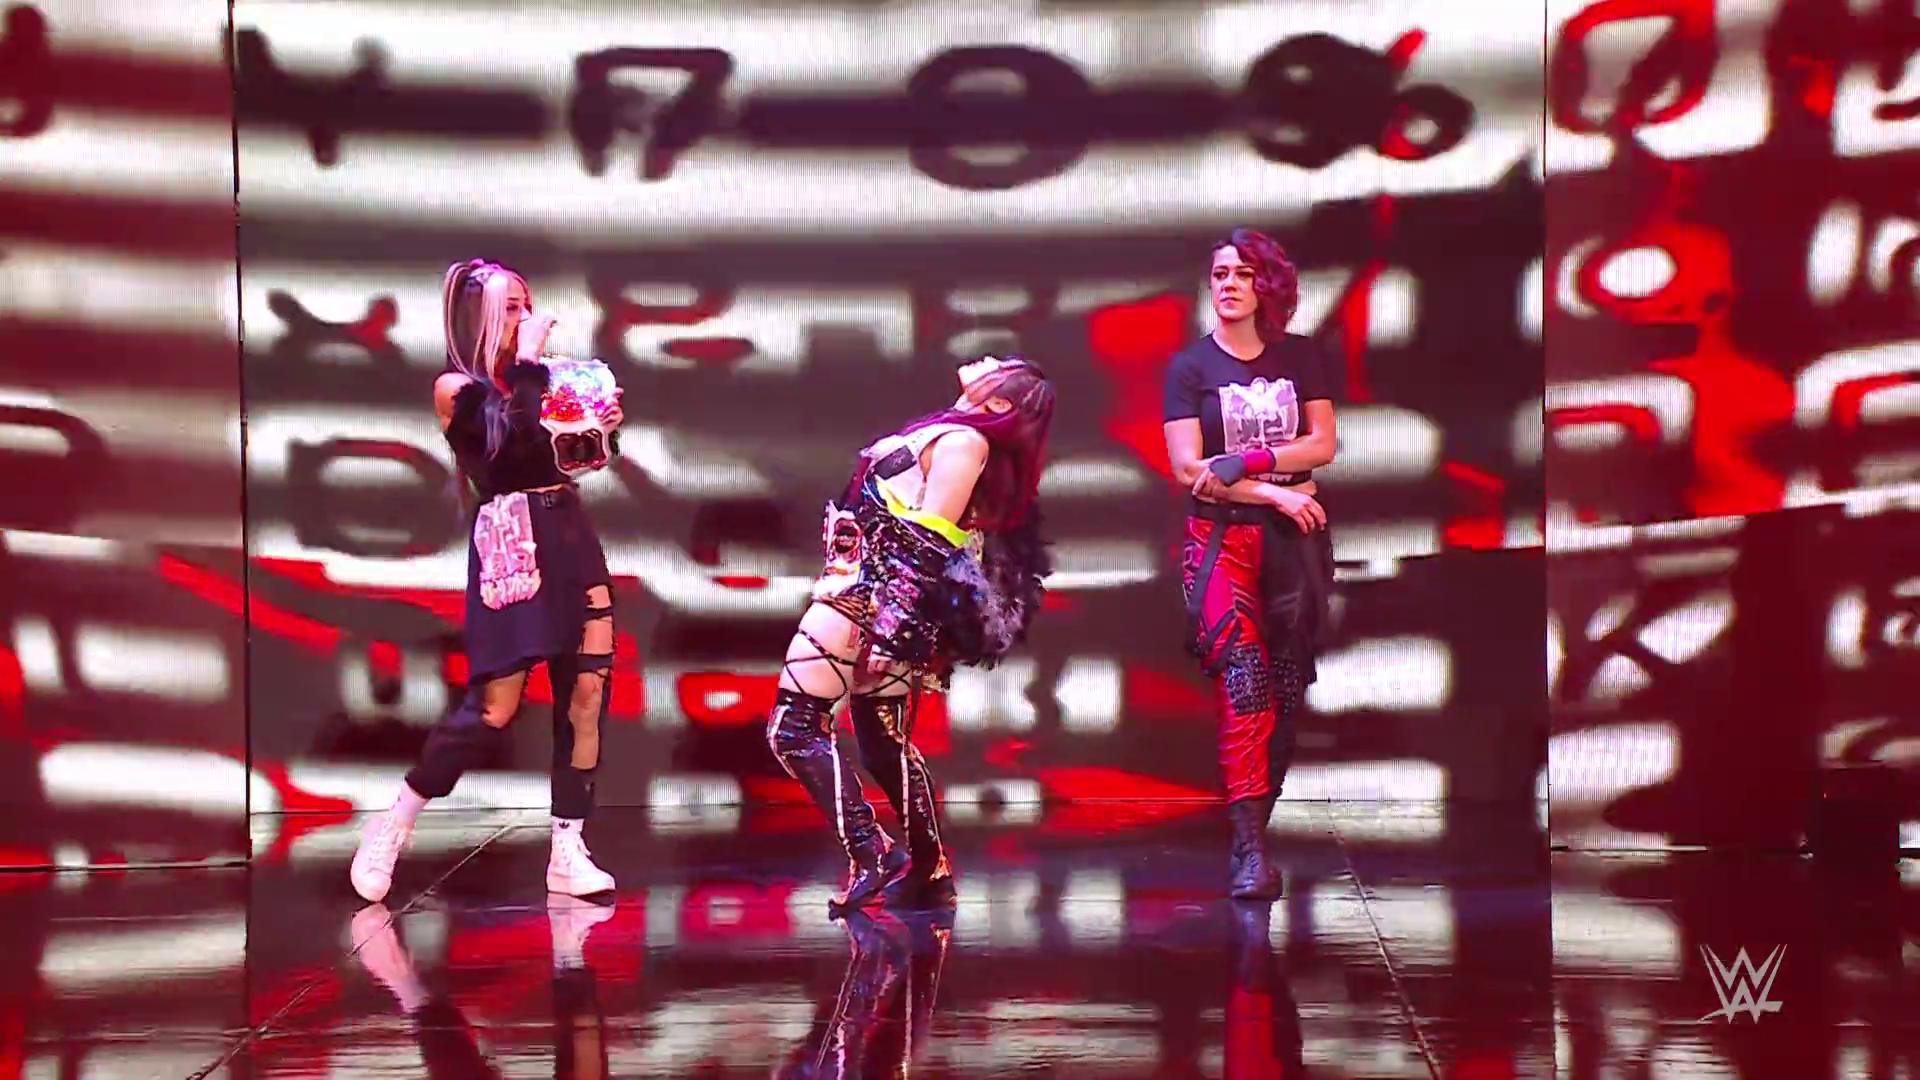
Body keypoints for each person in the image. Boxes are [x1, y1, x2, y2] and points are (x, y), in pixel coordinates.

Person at [351, 258, 624, 903]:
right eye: (511, 308)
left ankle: (567, 848)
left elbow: (560, 461)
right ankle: (395, 823)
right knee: (494, 708)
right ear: (479, 317)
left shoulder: (541, 379)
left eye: (527, 305)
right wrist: (529, 368)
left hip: (569, 537)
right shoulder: (457, 388)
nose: (526, 318)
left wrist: (597, 432)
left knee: (586, 694)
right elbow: (505, 454)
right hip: (513, 545)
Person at [768, 355, 1055, 914]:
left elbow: (929, 542)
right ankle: (930, 869)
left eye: (1001, 365)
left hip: (866, 600)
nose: (987, 358)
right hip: (875, 600)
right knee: (882, 743)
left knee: (794, 729)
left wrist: (892, 631)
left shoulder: (965, 443)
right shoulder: (955, 433)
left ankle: (871, 848)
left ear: (999, 401)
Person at [1162, 229, 1338, 900]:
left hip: (1295, 544)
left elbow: (1322, 444)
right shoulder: (1190, 367)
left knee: (1286, 688)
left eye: (1242, 273)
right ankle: (1249, 850)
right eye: (1219, 274)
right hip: (1221, 540)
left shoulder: (1300, 355)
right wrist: (1270, 491)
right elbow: (1190, 469)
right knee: (1244, 681)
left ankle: (1255, 833)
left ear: (1268, 286)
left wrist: (1250, 461)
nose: (1229, 284)